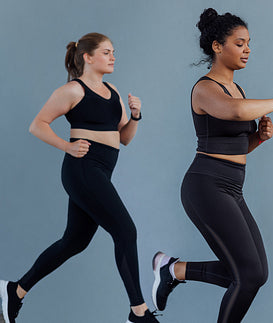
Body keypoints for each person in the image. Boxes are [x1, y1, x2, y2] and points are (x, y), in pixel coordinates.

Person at [151, 8, 273, 323]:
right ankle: (172, 271)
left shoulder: (237, 90)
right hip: (205, 186)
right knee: (246, 276)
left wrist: (257, 139)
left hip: (232, 187)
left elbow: (234, 143)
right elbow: (234, 112)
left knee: (255, 275)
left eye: (248, 44)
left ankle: (173, 271)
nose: (247, 50)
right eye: (239, 43)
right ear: (218, 46)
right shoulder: (205, 88)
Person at [0, 33, 159, 323]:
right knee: (125, 231)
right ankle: (138, 312)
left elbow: (124, 139)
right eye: (107, 52)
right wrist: (67, 146)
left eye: (114, 52)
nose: (113, 57)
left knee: (74, 242)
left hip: (100, 172)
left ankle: (15, 291)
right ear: (88, 57)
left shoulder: (113, 91)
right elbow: (37, 125)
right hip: (83, 169)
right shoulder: (73, 90)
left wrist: (135, 115)